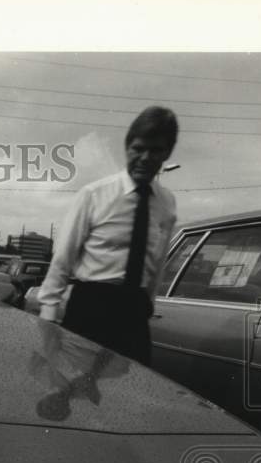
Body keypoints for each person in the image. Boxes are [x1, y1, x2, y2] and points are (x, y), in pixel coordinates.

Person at [35, 106, 179, 365]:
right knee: (73, 385)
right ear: (127, 148)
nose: (145, 157)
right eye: (138, 148)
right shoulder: (94, 195)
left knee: (131, 391)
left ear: (167, 153)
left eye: (155, 150)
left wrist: (148, 307)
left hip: (134, 315)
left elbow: (156, 266)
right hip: (90, 308)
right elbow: (63, 258)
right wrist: (49, 316)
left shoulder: (167, 204)